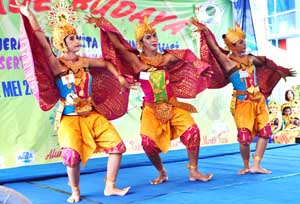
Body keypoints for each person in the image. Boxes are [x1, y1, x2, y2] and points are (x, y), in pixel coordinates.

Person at [13, 0, 131, 202]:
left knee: (117, 146)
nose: (78, 41)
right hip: (69, 117)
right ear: (62, 43)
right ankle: (75, 191)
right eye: (72, 38)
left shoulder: (85, 62)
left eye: (77, 37)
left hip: (92, 114)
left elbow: (105, 63)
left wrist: (119, 77)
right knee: (71, 157)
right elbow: (41, 39)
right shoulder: (56, 65)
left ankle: (110, 186)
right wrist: (28, 13)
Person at [84, 16, 221, 184]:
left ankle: (194, 171)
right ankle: (162, 172)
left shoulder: (166, 58)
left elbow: (188, 56)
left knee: (192, 131)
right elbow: (119, 46)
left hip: (173, 104)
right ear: (141, 42)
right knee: (147, 143)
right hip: (151, 109)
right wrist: (104, 25)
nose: (154, 39)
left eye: (154, 35)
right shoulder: (137, 62)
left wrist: (199, 66)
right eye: (148, 37)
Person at [192, 18, 296, 175]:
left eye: (243, 41)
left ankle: (257, 164)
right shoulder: (228, 62)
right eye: (240, 42)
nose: (244, 44)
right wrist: (206, 31)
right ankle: (246, 165)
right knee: (244, 137)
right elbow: (214, 49)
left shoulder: (250, 58)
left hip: (258, 100)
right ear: (232, 46)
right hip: (242, 102)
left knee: (265, 132)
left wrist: (280, 71)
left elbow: (266, 64)